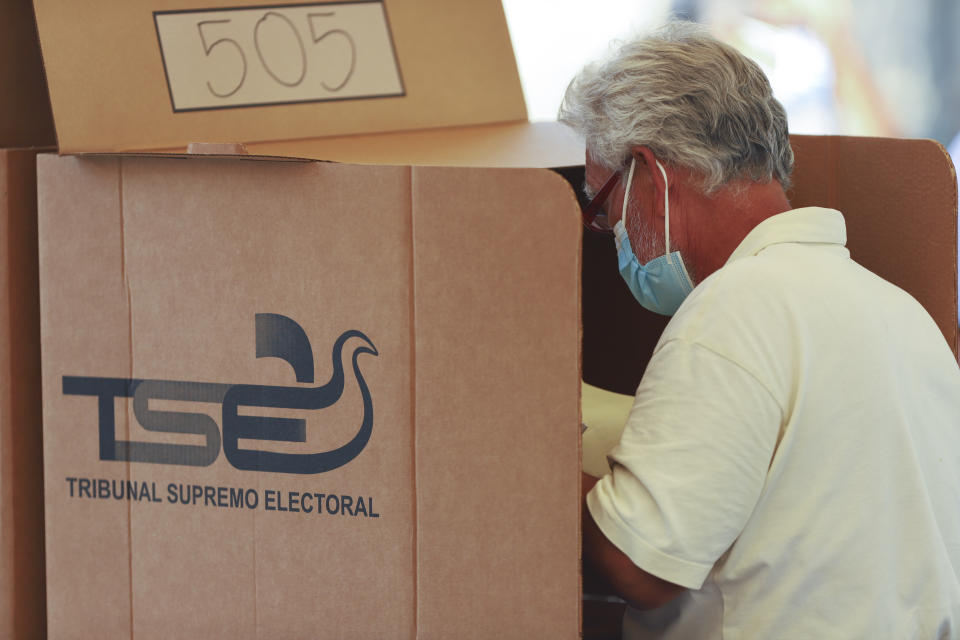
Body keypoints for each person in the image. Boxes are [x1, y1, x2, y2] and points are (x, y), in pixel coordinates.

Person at [560, 21, 960, 639]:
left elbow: (640, 564)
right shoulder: (904, 315)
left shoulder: (734, 310)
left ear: (650, 174)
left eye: (602, 203)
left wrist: (531, 455)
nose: (606, 228)